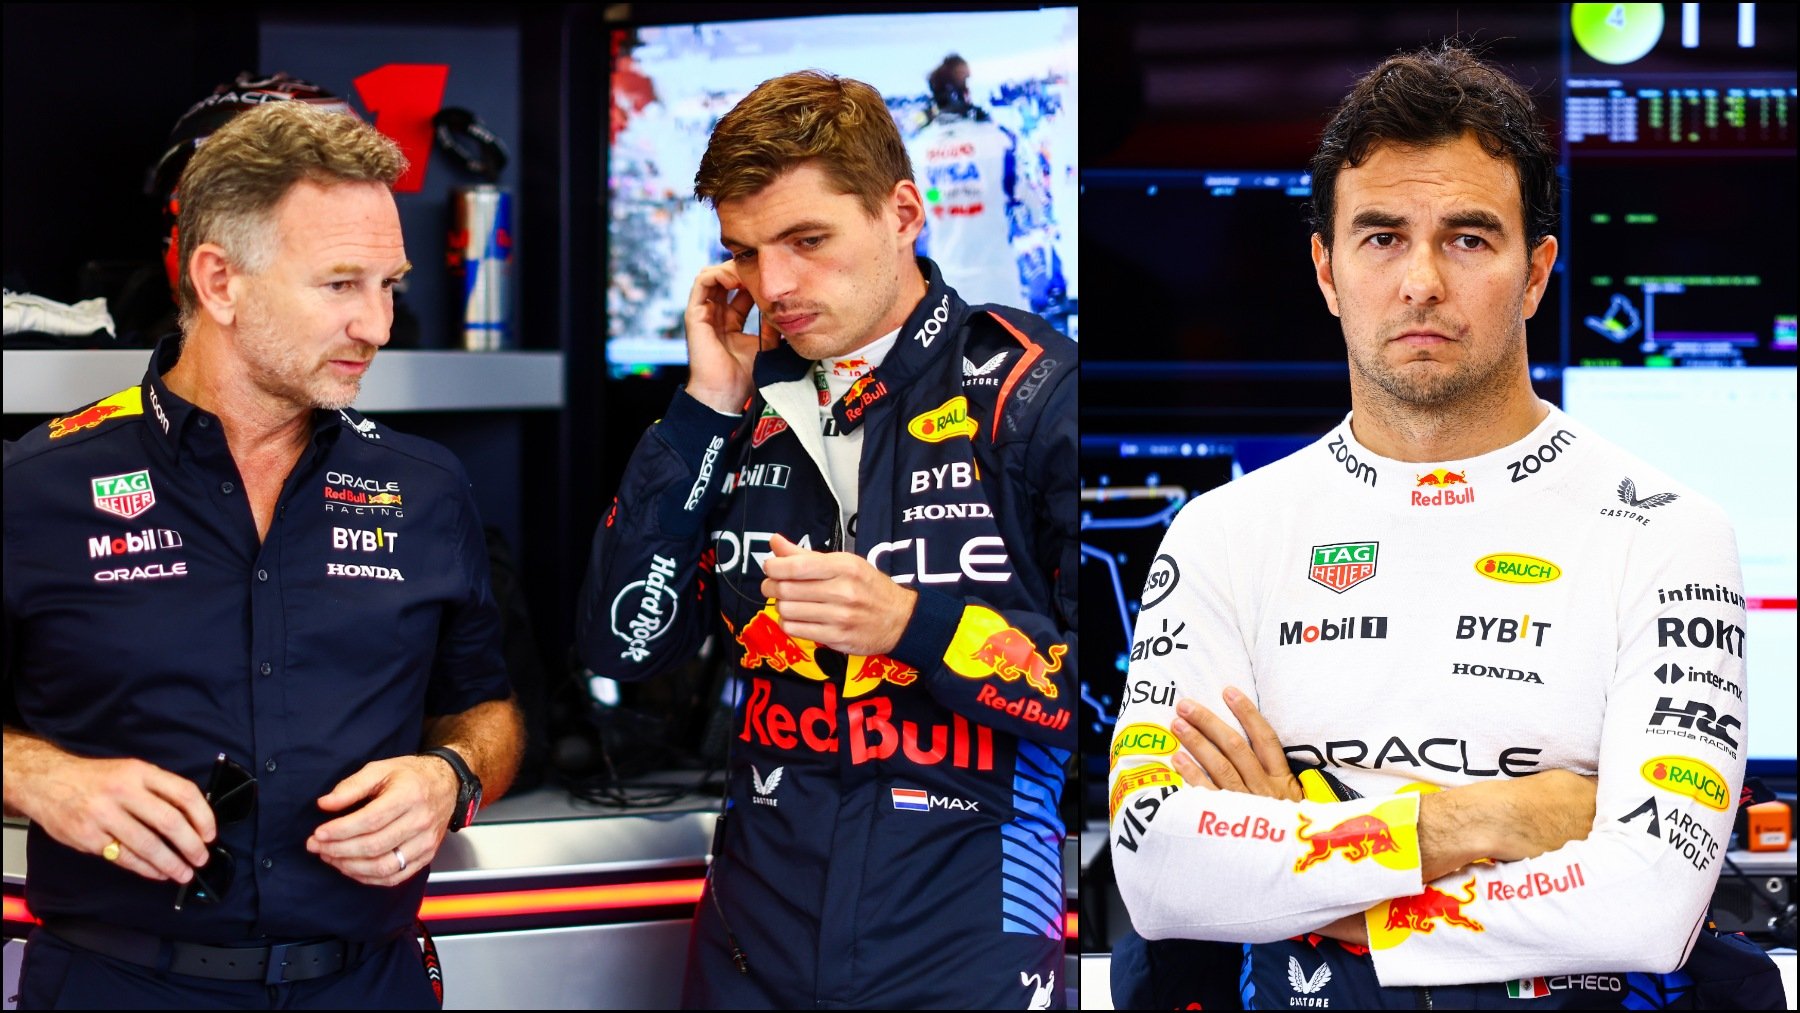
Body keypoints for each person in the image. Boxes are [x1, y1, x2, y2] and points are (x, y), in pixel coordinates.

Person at [1108, 44, 1756, 1007]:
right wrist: (1473, 822)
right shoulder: (1221, 535)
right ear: (1326, 270)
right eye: (1380, 237)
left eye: (1467, 238)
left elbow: (1652, 901)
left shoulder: (1668, 533)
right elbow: (1161, 874)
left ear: (1536, 272)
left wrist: (1306, 876)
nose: (1420, 282)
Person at [3, 99, 524, 1009]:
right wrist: (35, 774)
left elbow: (485, 709)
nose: (379, 324)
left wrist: (451, 775)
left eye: (389, 284)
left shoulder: (426, 488)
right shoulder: (36, 487)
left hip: (370, 984)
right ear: (219, 281)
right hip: (119, 982)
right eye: (340, 285)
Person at [576, 70, 1077, 1009]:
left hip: (966, 955)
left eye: (808, 240)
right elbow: (624, 647)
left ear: (902, 213)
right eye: (747, 252)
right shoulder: (739, 400)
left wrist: (915, 626)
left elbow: (1116, 702)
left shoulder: (1031, 394)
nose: (776, 288)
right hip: (750, 954)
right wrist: (703, 411)